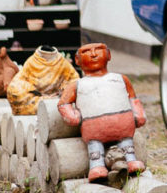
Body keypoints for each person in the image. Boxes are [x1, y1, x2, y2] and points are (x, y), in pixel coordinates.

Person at [58, 43, 146, 182]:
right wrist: (73, 116)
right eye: (87, 52)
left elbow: (133, 99)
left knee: (127, 145)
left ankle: (130, 161)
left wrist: (139, 114)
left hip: (123, 126)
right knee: (95, 148)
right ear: (77, 59)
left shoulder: (121, 79)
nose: (93, 54)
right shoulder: (77, 85)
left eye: (98, 50)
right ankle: (97, 166)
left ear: (109, 55)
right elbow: (63, 103)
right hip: (94, 130)